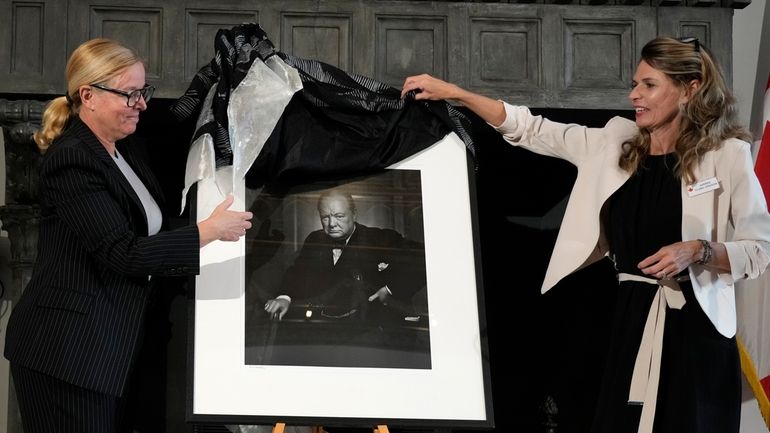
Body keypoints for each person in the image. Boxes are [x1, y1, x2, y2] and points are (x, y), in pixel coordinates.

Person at [401, 36, 770, 433]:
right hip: (631, 319)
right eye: (634, 84)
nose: (634, 95)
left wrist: (698, 250)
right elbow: (530, 128)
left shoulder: (726, 154)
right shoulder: (615, 142)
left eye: (649, 85)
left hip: (698, 330)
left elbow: (760, 249)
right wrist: (454, 93)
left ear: (689, 89)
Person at [3, 38, 253, 433]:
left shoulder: (125, 149)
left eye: (144, 91)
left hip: (105, 350)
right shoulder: (72, 160)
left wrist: (207, 230)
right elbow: (121, 252)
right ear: (88, 95)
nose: (142, 103)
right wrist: (203, 234)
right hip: (65, 353)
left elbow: (144, 232)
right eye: (130, 94)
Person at [263, 188, 426, 324]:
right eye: (325, 217)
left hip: (371, 331)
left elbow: (423, 259)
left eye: (339, 216)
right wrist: (284, 297)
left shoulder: (380, 238)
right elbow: (297, 272)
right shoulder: (315, 239)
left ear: (354, 214)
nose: (331, 224)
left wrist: (391, 289)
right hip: (323, 329)